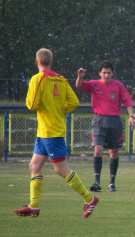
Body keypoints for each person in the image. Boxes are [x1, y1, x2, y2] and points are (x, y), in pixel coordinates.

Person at [15, 48, 98, 218]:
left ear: (37, 62)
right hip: (45, 132)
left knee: (61, 169)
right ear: (51, 62)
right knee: (34, 166)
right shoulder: (61, 79)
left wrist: (48, 107)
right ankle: (34, 205)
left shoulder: (38, 79)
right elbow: (74, 101)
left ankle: (89, 199)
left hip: (51, 132)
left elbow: (32, 104)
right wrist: (60, 110)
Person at [75, 61, 135, 192]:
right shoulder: (94, 84)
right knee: (98, 150)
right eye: (104, 72)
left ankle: (112, 183)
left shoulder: (119, 86)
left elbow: (128, 102)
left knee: (113, 152)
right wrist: (80, 77)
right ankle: (97, 182)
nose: (106, 75)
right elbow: (79, 86)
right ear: (100, 73)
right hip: (99, 121)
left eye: (109, 73)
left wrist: (131, 116)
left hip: (115, 121)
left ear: (112, 73)